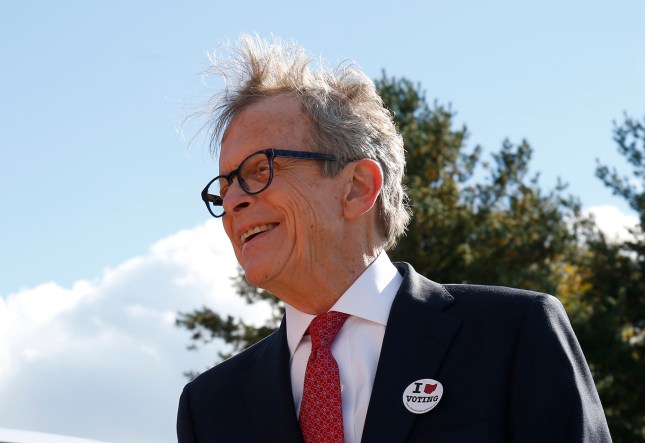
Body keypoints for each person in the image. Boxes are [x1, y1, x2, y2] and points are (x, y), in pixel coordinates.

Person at [177, 35, 612, 443]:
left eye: (259, 170)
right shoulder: (210, 407)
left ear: (357, 187)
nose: (233, 200)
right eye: (226, 184)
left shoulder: (513, 336)